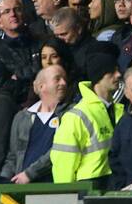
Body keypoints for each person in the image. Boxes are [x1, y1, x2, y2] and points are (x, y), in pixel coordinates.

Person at [50, 55, 125, 186]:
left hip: (116, 182)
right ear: (99, 75)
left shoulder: (120, 111)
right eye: (111, 71)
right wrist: (64, 195)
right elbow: (64, 161)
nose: (118, 74)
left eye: (118, 70)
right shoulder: (76, 116)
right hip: (89, 186)